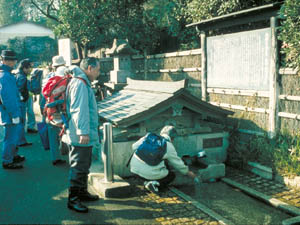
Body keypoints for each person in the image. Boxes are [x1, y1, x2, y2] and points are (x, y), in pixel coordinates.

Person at [61, 57, 100, 213]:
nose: (98, 73)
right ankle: (73, 199)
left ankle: (82, 193)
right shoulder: (80, 83)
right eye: (97, 69)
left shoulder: (81, 82)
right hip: (80, 133)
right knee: (78, 166)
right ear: (89, 68)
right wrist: (83, 132)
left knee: (84, 165)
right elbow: (79, 110)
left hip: (82, 132)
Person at [130, 125, 199, 193]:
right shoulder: (168, 145)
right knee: (171, 176)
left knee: (163, 161)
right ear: (172, 138)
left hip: (134, 169)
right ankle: (155, 184)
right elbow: (178, 164)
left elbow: (134, 146)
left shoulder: (149, 136)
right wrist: (188, 172)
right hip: (148, 173)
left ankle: (145, 182)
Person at [0, 50, 24, 169]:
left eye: (13, 60)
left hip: (8, 111)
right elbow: (7, 99)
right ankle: (7, 160)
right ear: (5, 60)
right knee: (10, 137)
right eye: (10, 60)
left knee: (13, 136)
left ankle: (13, 155)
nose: (13, 62)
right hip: (9, 112)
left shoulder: (5, 74)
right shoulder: (5, 76)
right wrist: (14, 114)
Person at [41, 55, 68, 166]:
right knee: (66, 131)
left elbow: (43, 94)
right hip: (62, 109)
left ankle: (55, 157)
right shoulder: (67, 78)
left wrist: (44, 107)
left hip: (50, 109)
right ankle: (66, 152)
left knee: (52, 134)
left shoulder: (48, 77)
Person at [15, 59, 34, 147]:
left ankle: (20, 140)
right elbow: (20, 90)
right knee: (21, 122)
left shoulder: (17, 75)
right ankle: (21, 141)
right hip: (21, 102)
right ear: (24, 68)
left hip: (18, 102)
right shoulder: (22, 77)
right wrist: (22, 98)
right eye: (29, 68)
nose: (30, 70)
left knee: (20, 122)